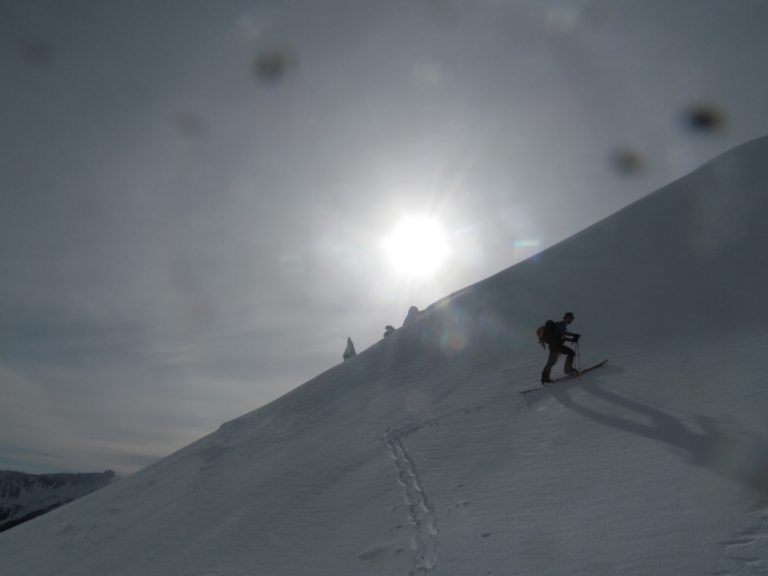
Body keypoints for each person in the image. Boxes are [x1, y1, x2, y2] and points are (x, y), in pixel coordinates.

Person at [541, 312, 581, 384]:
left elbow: (561, 337)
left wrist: (572, 339)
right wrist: (574, 335)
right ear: (565, 318)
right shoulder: (561, 324)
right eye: (570, 318)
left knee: (551, 362)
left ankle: (545, 378)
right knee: (571, 353)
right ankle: (568, 370)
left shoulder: (560, 325)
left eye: (572, 319)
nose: (571, 320)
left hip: (555, 346)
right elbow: (563, 334)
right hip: (556, 346)